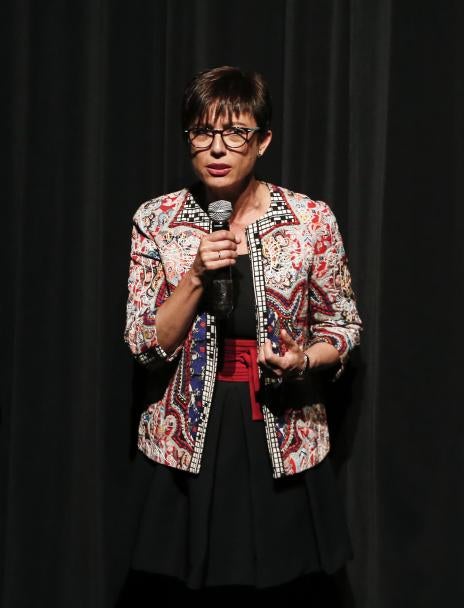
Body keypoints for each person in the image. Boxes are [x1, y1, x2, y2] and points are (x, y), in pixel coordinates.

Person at [122, 66, 362, 602]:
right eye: (203, 133)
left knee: (285, 587)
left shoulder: (310, 220)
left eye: (236, 134)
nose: (218, 149)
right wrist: (194, 276)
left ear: (263, 140)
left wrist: (302, 360)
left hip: (281, 427)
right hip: (187, 438)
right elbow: (144, 343)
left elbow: (343, 326)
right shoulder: (157, 219)